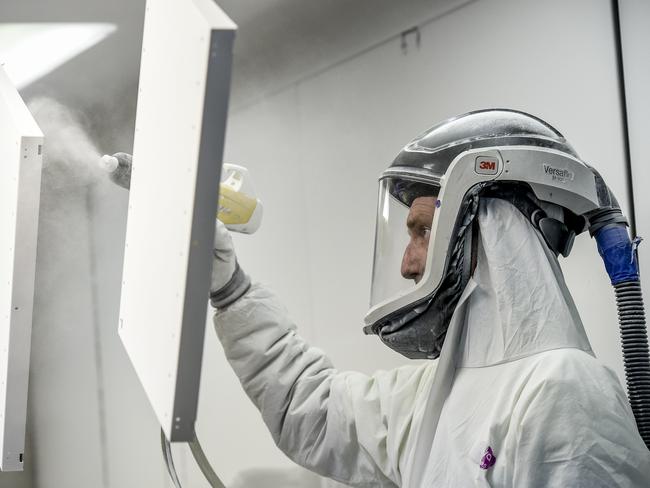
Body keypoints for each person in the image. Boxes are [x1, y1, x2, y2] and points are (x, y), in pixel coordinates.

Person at [210, 109, 650, 487]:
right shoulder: (435, 391)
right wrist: (231, 290)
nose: (407, 264)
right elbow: (312, 410)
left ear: (497, 227)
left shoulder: (565, 389)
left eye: (424, 230)